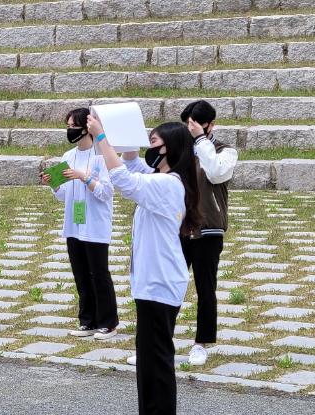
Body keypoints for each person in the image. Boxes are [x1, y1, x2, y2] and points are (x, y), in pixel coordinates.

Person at [87, 116, 201, 415]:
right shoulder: (161, 179)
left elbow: (123, 180)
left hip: (159, 284)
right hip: (155, 284)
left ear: (169, 148)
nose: (149, 148)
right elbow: (132, 167)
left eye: (153, 142)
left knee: (156, 363)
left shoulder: (167, 184)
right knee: (150, 362)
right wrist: (124, 134)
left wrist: (101, 137)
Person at [40, 108, 119, 340]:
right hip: (74, 224)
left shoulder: (102, 156)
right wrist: (53, 184)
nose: (70, 131)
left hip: (95, 225)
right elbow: (64, 195)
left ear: (86, 128)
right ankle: (87, 321)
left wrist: (84, 177)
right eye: (67, 127)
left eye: (73, 126)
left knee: (99, 274)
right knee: (81, 274)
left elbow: (106, 192)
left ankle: (108, 323)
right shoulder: (68, 156)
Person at [179, 100, 238, 366]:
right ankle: (160, 339)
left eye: (195, 124)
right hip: (180, 226)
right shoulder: (181, 149)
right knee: (169, 284)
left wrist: (201, 140)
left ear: (210, 124)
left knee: (205, 287)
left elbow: (215, 172)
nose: (190, 129)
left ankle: (201, 343)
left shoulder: (226, 151)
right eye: (187, 125)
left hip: (209, 228)